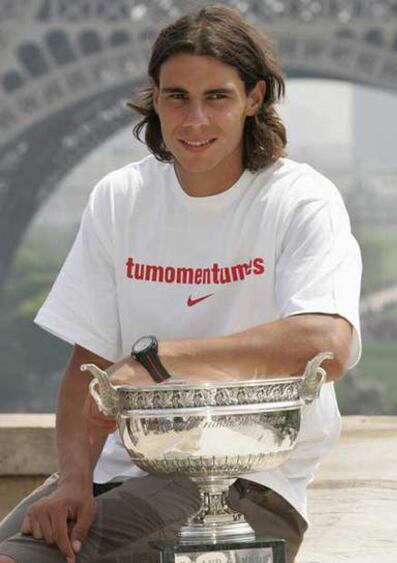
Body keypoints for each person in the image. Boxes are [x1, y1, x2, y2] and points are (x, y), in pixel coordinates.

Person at [0, 4, 361, 563]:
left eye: (216, 97)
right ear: (155, 94)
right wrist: (72, 479)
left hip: (249, 485)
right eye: (177, 97)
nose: (194, 120)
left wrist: (159, 360)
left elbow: (328, 345)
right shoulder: (120, 198)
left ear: (255, 98)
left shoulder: (301, 200)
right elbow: (86, 367)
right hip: (121, 472)